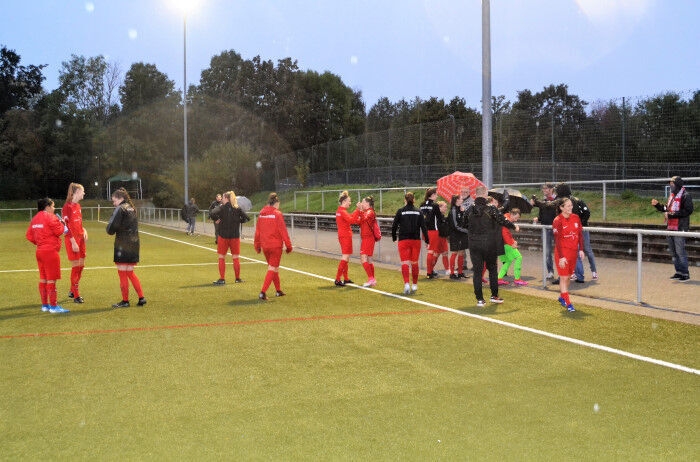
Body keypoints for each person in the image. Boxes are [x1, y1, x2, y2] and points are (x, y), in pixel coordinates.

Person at [464, 186, 517, 307]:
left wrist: (474, 231)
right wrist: (514, 226)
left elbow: (463, 223)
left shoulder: (469, 209)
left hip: (474, 244)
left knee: (477, 272)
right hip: (489, 244)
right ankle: (494, 296)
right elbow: (502, 220)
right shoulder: (491, 208)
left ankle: (480, 299)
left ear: (475, 194)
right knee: (492, 269)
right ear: (485, 194)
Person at [26, 197, 70, 313]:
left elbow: (29, 236)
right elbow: (59, 231)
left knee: (43, 278)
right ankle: (54, 307)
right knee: (51, 279)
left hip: (40, 251)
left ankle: (45, 305)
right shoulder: (51, 217)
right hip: (50, 252)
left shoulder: (35, 218)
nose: (54, 208)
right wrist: (62, 224)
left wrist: (40, 242)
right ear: (47, 207)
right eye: (53, 206)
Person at [106, 187, 146, 308]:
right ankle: (141, 297)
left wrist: (109, 229)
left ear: (120, 198)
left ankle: (125, 301)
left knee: (122, 273)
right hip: (134, 244)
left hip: (123, 244)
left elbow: (111, 228)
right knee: (130, 272)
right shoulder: (131, 208)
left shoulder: (120, 208)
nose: (114, 203)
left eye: (114, 201)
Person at [651, 176, 694, 282]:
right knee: (674, 253)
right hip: (670, 228)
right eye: (670, 184)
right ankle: (678, 272)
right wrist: (658, 206)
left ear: (678, 185)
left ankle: (685, 274)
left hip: (680, 228)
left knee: (680, 252)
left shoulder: (686, 195)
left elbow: (688, 210)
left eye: (672, 184)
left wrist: (671, 215)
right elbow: (667, 209)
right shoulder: (672, 196)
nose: (670, 186)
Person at [254, 192, 293, 300]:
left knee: (274, 268)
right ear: (277, 203)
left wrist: (257, 244)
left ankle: (278, 290)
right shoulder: (277, 214)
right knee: (272, 268)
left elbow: (258, 231)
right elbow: (283, 231)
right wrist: (289, 246)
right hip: (275, 246)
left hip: (265, 245)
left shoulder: (261, 213)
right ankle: (262, 292)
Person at [554, 183, 596, 283]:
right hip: (568, 231)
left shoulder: (575, 201)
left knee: (584, 250)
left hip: (576, 231)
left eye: (557, 189)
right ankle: (569, 275)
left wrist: (580, 224)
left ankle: (591, 272)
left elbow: (586, 212)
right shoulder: (560, 201)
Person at [392, 192, 429, 294]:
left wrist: (394, 237)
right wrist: (427, 240)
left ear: (405, 200)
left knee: (405, 262)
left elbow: (394, 225)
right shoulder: (419, 211)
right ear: (414, 200)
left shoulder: (400, 211)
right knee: (414, 263)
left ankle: (407, 284)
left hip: (403, 240)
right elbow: (424, 227)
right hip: (415, 240)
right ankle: (415, 285)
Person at [210, 191, 250, 285]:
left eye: (223, 197)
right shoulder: (237, 208)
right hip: (235, 236)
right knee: (235, 258)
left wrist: (217, 219)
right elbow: (246, 218)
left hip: (223, 236)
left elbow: (212, 213)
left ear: (226, 198)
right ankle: (237, 278)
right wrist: (238, 220)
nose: (222, 199)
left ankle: (222, 279)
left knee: (221, 257)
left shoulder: (222, 207)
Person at [552, 197, 584, 312]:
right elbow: (557, 240)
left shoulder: (576, 218)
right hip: (562, 253)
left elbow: (580, 234)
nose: (571, 207)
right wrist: (561, 257)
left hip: (573, 252)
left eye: (571, 205)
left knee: (568, 277)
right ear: (561, 208)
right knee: (564, 277)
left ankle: (562, 297)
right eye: (568, 205)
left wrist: (581, 249)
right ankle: (568, 303)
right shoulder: (557, 220)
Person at [62, 182, 88, 303]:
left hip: (81, 239)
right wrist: (73, 242)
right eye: (82, 191)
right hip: (72, 240)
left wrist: (84, 230)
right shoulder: (67, 207)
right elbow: (65, 227)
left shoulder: (78, 206)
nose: (84, 193)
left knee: (81, 265)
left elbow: (79, 223)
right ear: (77, 192)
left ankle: (72, 290)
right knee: (76, 266)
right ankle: (76, 296)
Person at [530, 183, 558, 280]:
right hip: (545, 229)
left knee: (561, 251)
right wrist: (537, 219)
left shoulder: (558, 200)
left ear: (551, 189)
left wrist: (536, 202)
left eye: (546, 188)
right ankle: (550, 271)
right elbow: (542, 216)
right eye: (543, 188)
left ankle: (565, 272)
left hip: (557, 229)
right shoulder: (543, 201)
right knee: (547, 252)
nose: (544, 190)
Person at [334, 190, 361, 286]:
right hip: (345, 236)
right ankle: (337, 279)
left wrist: (357, 213)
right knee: (345, 257)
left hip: (343, 235)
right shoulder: (342, 211)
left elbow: (350, 217)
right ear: (344, 201)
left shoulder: (340, 211)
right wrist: (358, 210)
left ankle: (345, 278)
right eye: (349, 201)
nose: (350, 203)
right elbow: (352, 220)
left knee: (346, 257)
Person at [497, 208, 528, 286]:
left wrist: (513, 241)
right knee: (519, 257)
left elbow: (506, 233)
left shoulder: (505, 218)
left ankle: (499, 279)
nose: (516, 220)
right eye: (516, 217)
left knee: (508, 261)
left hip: (500, 244)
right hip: (505, 244)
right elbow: (504, 233)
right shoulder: (506, 220)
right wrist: (512, 243)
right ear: (511, 214)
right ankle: (517, 279)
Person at [420, 187, 443, 278]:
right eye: (436, 194)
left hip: (424, 231)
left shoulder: (422, 204)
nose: (437, 196)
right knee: (431, 251)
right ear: (432, 195)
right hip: (433, 231)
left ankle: (430, 271)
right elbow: (440, 218)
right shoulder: (435, 205)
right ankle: (429, 273)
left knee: (430, 251)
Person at [358, 195, 378, 287]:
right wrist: (360, 211)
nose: (361, 203)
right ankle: (372, 280)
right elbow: (359, 221)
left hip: (368, 238)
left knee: (363, 259)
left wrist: (360, 210)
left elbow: (364, 218)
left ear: (367, 203)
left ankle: (371, 279)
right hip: (366, 238)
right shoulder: (366, 211)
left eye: (363, 202)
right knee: (369, 259)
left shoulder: (370, 212)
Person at [447, 195, 469, 280]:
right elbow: (455, 225)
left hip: (462, 234)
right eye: (461, 199)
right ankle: (452, 273)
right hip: (455, 235)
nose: (462, 200)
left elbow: (463, 221)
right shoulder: (453, 210)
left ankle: (460, 273)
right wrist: (466, 231)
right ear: (457, 200)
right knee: (454, 253)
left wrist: (463, 212)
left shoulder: (460, 209)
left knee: (461, 253)